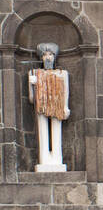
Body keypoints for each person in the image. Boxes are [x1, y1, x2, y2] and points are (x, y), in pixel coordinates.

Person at [28, 42, 69, 172]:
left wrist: (65, 107)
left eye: (50, 54)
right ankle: (44, 160)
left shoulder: (62, 73)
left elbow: (66, 91)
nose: (48, 57)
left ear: (54, 56)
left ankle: (57, 159)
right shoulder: (34, 72)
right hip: (41, 105)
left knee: (57, 131)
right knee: (42, 131)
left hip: (57, 105)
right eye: (45, 54)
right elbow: (31, 99)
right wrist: (32, 85)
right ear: (41, 57)